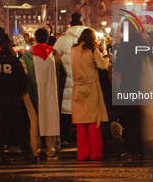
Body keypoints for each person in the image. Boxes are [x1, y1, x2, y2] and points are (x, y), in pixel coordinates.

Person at [0, 33, 36, 165]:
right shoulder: (16, 62)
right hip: (12, 99)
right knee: (19, 128)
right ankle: (28, 155)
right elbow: (24, 79)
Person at [71, 28, 109, 161]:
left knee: (80, 123)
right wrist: (107, 58)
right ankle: (95, 153)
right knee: (94, 122)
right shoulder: (93, 50)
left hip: (77, 88)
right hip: (91, 87)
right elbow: (102, 65)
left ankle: (82, 154)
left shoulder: (73, 49)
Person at [21, 28, 60, 160]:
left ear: (35, 39)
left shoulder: (27, 56)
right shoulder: (54, 54)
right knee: (50, 116)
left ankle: (35, 150)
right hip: (49, 91)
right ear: (47, 39)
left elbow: (23, 74)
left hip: (31, 92)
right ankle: (50, 150)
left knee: (34, 120)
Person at [53, 13, 87, 145]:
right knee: (84, 111)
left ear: (70, 24)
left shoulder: (62, 40)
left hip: (67, 79)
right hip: (84, 80)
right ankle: (82, 139)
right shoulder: (89, 39)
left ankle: (65, 137)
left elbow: (54, 57)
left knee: (66, 109)